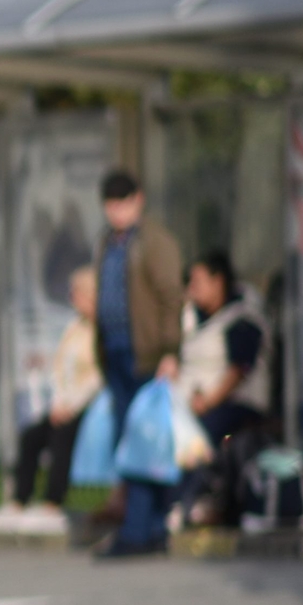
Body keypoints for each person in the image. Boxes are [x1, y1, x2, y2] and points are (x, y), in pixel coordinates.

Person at [94, 169, 183, 555]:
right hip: (114, 352)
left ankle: (140, 531)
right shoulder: (108, 243)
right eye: (111, 205)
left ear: (138, 200)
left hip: (146, 355)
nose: (117, 212)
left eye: (123, 203)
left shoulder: (154, 242)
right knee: (128, 443)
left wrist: (169, 352)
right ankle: (148, 526)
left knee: (143, 446)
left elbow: (170, 298)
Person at [0, 265, 100, 531]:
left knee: (62, 437)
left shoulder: (102, 332)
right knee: (32, 436)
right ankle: (19, 500)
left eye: (77, 293)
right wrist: (59, 401)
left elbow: (97, 377)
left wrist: (71, 405)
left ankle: (52, 503)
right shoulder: (75, 327)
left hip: (88, 407)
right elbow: (60, 369)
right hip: (63, 403)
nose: (73, 299)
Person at [177, 250, 270, 526]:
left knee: (198, 435)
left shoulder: (242, 318)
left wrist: (208, 402)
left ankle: (187, 501)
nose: (191, 290)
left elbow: (238, 371)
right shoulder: (192, 318)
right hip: (196, 401)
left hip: (237, 405)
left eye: (197, 282)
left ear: (218, 282)